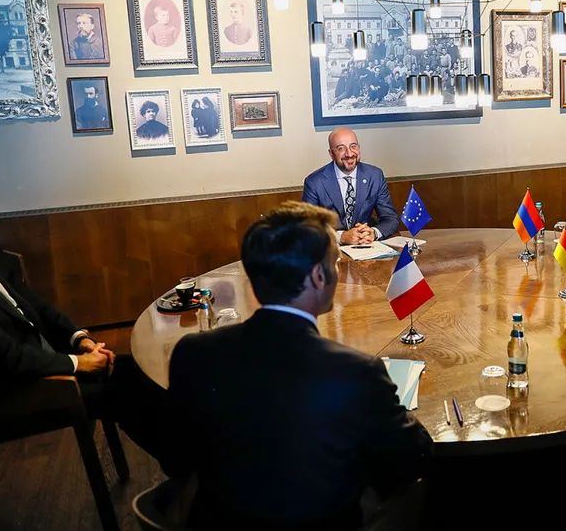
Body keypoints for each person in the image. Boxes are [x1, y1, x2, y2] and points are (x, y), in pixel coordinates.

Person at [167, 202, 432, 528]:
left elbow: (176, 460)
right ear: (319, 276)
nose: (337, 271)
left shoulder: (192, 352)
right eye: (335, 262)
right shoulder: (357, 373)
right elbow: (412, 458)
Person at [0, 175, 162, 458]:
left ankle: (188, 466)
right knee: (126, 394)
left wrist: (80, 340)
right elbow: (3, 357)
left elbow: (37, 306)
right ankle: (185, 470)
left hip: (33, 367)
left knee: (140, 371)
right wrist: (78, 363)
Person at [301, 127, 399, 245]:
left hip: (367, 247)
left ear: (359, 148)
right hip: (332, 250)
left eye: (353, 146)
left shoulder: (375, 175)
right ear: (331, 154)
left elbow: (390, 219)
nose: (349, 154)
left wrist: (374, 232)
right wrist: (341, 237)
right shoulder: (314, 182)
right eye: (341, 148)